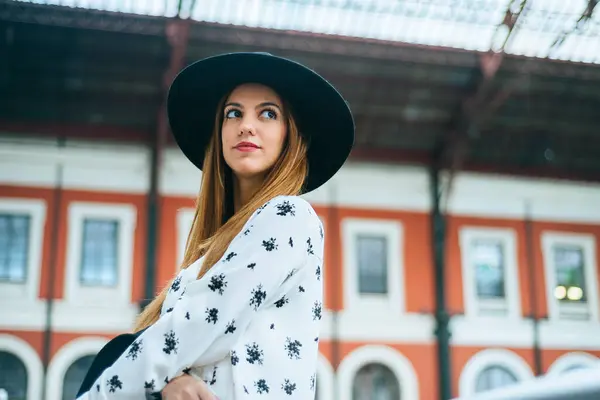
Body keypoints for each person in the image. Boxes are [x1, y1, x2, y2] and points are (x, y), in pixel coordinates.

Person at [76, 52, 354, 399]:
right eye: (233, 113)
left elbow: (200, 325)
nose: (246, 125)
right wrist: (172, 380)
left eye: (268, 113)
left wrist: (97, 396)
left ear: (290, 135)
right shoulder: (207, 256)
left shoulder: (289, 216)